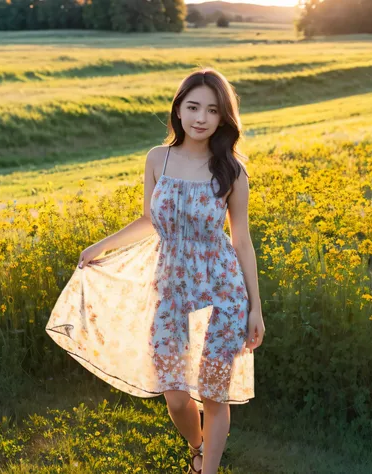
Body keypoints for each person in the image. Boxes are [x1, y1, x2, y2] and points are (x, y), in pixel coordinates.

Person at [45, 67, 265, 474]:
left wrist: (256, 308)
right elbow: (149, 220)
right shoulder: (157, 158)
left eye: (212, 110)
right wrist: (98, 247)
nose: (201, 117)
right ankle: (197, 447)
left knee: (214, 394)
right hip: (170, 289)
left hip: (223, 290)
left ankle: (208, 469)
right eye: (193, 106)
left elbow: (241, 242)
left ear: (223, 118)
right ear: (178, 110)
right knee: (177, 396)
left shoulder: (231, 170)